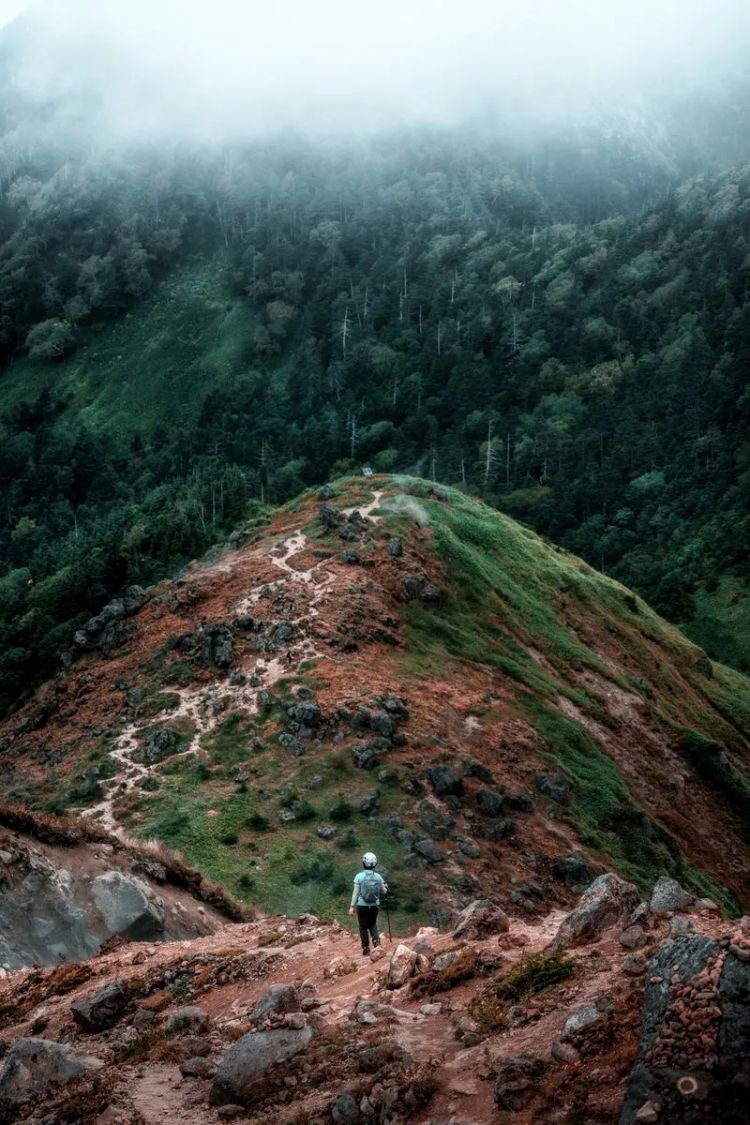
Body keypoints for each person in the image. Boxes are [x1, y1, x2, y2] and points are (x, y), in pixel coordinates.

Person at [348, 851, 388, 956]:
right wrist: (386, 886)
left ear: (364, 863)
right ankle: (376, 942)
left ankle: (366, 947)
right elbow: (384, 891)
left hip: (362, 906)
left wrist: (352, 907)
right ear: (374, 864)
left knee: (363, 926)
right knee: (373, 924)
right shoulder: (378, 877)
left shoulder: (359, 876)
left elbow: (355, 893)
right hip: (374, 906)